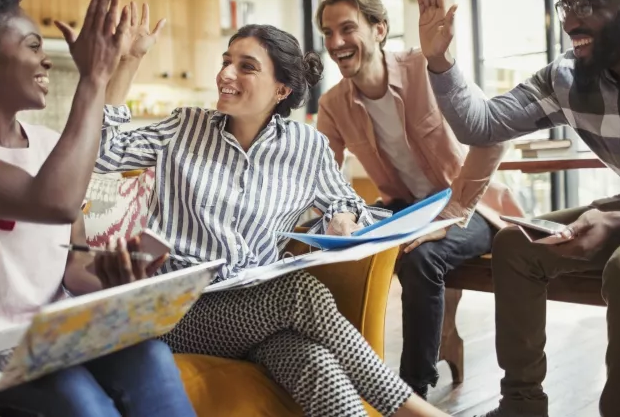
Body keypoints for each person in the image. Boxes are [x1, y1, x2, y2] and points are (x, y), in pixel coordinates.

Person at [92, 21, 450, 417]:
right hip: (178, 311)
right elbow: (104, 151)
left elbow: (345, 202)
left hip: (252, 311)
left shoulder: (307, 146)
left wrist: (343, 218)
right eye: (227, 61)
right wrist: (130, 60)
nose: (226, 74)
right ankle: (413, 410)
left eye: (246, 66)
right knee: (299, 292)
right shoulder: (184, 126)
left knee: (314, 363)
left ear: (282, 90)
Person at [0, 0, 194, 416]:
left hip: (47, 337)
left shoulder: (49, 144)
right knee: (74, 392)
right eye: (33, 45)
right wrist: (94, 77)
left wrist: (118, 281)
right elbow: (51, 203)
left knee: (150, 355)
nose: (46, 60)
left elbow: (74, 267)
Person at [418, 0, 620, 416]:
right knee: (516, 244)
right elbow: (481, 125)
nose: (570, 20)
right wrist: (440, 62)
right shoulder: (566, 77)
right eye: (566, 6)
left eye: (588, 4)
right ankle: (522, 405)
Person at [313, 0, 524, 397]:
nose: (335, 42)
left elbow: (493, 134)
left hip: (468, 207)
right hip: (405, 209)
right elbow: (321, 175)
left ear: (379, 29)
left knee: (421, 257)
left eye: (347, 28)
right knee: (335, 252)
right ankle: (346, 376)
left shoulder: (424, 70)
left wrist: (454, 211)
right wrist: (337, 213)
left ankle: (412, 389)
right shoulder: (333, 104)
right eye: (327, 32)